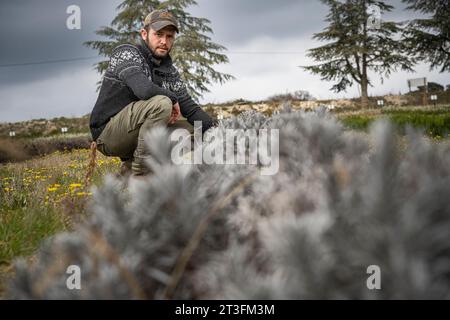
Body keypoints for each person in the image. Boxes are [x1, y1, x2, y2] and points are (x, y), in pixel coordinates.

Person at [89, 9, 216, 176]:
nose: (164, 41)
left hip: (137, 131)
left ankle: (128, 170)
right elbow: (143, 89)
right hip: (108, 134)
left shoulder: (169, 70)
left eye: (169, 36)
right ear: (144, 33)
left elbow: (190, 108)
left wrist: (218, 130)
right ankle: (142, 176)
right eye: (159, 34)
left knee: (195, 131)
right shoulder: (126, 53)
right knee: (162, 103)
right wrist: (171, 98)